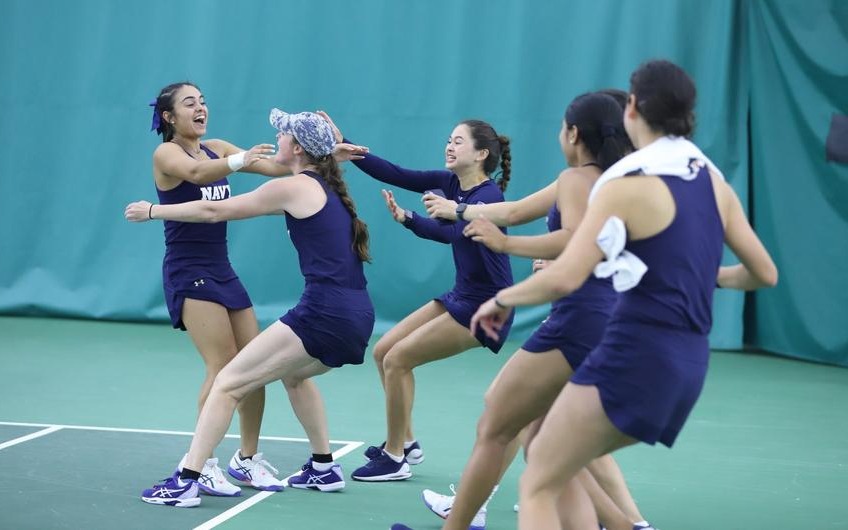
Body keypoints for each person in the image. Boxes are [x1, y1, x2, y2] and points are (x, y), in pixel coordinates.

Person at [469, 60, 778, 529]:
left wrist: (502, 300)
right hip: (690, 366)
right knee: (547, 451)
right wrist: (706, 277)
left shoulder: (624, 184)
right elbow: (763, 274)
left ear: (633, 107)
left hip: (636, 355)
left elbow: (564, 277)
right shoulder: (712, 181)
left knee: (537, 485)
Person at [405, 92, 651, 530]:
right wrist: (460, 209)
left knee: (500, 422)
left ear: (574, 134)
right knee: (544, 438)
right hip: (608, 319)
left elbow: (574, 239)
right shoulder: (625, 182)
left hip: (579, 318)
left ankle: (461, 519)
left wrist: (507, 252)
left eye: (561, 126)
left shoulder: (578, 179)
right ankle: (626, 526)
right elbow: (515, 211)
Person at [128, 109, 374, 506]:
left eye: (282, 135)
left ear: (295, 147)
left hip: (324, 313)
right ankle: (324, 466)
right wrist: (330, 153)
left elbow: (212, 211)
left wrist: (153, 210)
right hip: (358, 315)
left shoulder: (294, 187)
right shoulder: (321, 186)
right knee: (293, 377)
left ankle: (187, 480)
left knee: (227, 382)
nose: (275, 139)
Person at [317, 111, 515, 482]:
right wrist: (349, 150)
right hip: (462, 294)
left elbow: (460, 235)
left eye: (458, 141)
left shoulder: (489, 197)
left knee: (397, 361)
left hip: (488, 308)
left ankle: (393, 458)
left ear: (481, 154)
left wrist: (452, 214)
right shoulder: (451, 183)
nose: (449, 146)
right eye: (449, 140)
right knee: (382, 352)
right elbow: (397, 174)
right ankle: (406, 443)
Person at [145, 81, 292, 495]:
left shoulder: (219, 146)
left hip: (222, 268)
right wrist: (239, 160)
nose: (201, 108)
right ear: (171, 117)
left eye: (204, 101)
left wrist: (320, 157)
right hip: (187, 270)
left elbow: (277, 169)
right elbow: (196, 173)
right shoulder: (167, 154)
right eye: (190, 103)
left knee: (255, 366)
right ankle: (201, 464)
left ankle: (246, 460)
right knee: (222, 365)